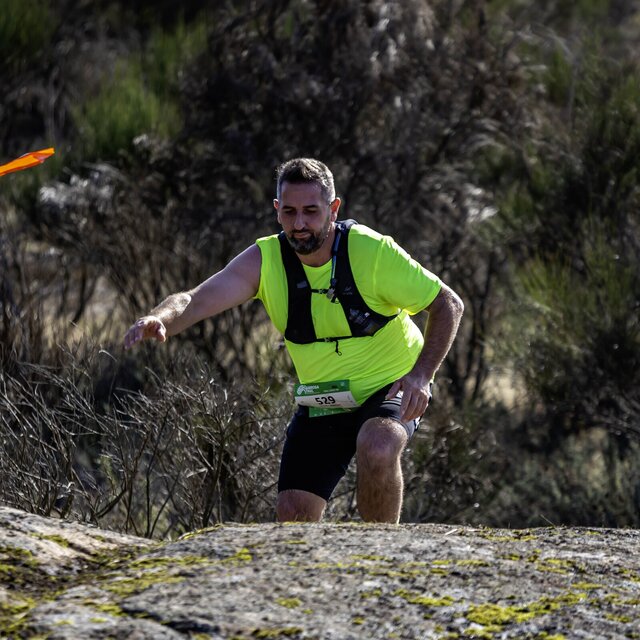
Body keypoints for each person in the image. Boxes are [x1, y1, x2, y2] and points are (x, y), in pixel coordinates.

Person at [124, 158, 463, 524]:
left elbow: (447, 303)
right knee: (292, 513)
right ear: (277, 210)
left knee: (378, 447)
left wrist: (421, 375)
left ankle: (380, 553)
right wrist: (159, 318)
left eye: (311, 211)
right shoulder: (266, 260)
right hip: (326, 397)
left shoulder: (372, 251)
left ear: (333, 208)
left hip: (390, 386)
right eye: (289, 212)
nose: (299, 224)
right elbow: (194, 300)